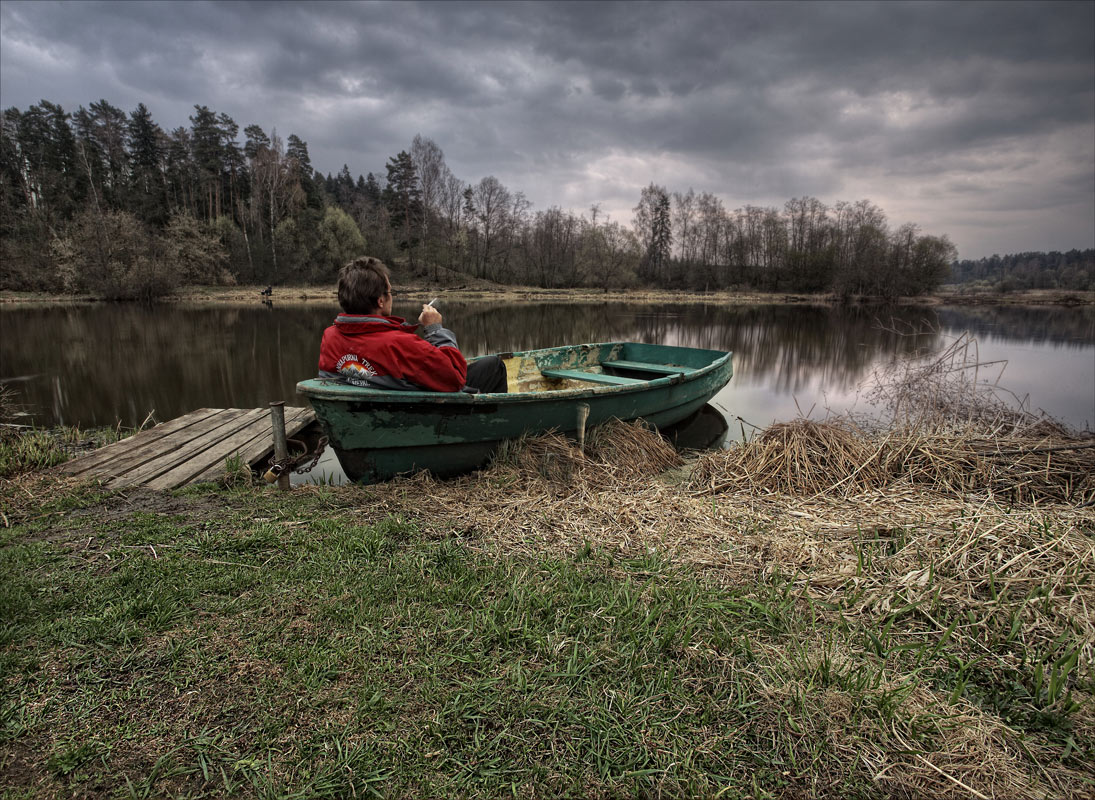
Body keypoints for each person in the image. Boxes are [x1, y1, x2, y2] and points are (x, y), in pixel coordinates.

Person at [317, 256, 508, 393]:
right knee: (494, 366)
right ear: (381, 301)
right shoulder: (399, 344)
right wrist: (435, 330)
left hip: (369, 417)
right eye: (390, 293)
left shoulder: (330, 337)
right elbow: (455, 377)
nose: (391, 298)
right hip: (419, 417)